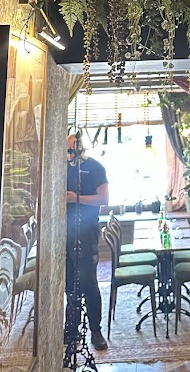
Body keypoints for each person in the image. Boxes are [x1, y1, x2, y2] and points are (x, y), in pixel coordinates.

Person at [66, 129, 109, 352]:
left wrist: (77, 199)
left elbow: (104, 198)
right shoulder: (61, 168)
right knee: (69, 284)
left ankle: (95, 330)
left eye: (72, 148)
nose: (69, 153)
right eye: (66, 149)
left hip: (87, 232)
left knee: (89, 282)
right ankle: (71, 327)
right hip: (63, 233)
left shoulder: (95, 167)